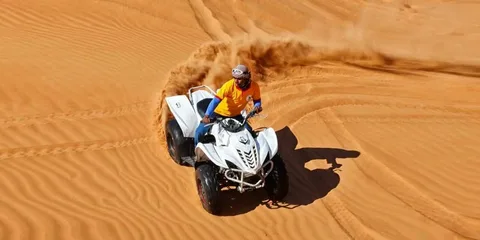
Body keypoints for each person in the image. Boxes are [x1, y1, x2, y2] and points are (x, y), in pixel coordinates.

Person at [194, 64, 263, 146]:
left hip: (235, 115)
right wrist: (207, 116)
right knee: (199, 132)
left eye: (239, 79)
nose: (236, 81)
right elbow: (215, 101)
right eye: (234, 78)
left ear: (246, 77)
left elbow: (257, 100)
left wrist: (257, 107)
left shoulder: (254, 87)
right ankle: (196, 150)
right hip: (218, 113)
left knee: (249, 131)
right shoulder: (229, 85)